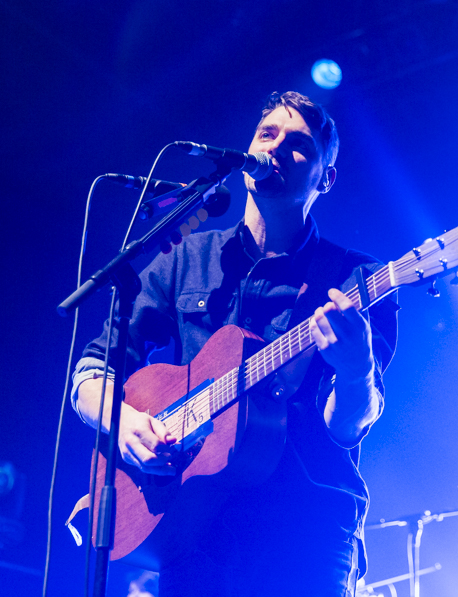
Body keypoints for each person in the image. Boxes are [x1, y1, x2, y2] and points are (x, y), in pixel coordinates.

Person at [71, 91, 398, 597]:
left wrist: (357, 372)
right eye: (267, 135)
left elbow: (346, 428)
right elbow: (92, 374)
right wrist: (127, 424)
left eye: (300, 147)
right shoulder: (186, 257)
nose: (276, 149)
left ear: (324, 178)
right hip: (193, 528)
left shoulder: (356, 278)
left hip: (303, 530)